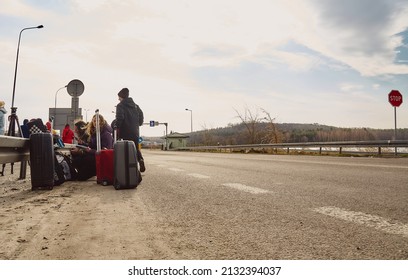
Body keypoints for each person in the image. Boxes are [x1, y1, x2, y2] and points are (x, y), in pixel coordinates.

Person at [70, 113, 113, 180]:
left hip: (97, 159)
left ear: (102, 122)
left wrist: (90, 150)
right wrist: (83, 144)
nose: (95, 123)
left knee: (81, 170)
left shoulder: (106, 135)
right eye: (94, 121)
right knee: (76, 159)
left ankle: (83, 174)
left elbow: (106, 153)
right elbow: (91, 146)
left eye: (97, 121)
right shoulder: (94, 134)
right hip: (93, 156)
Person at [115, 88, 145, 172]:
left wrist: (116, 126)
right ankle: (140, 160)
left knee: (125, 149)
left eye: (119, 97)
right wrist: (139, 123)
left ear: (121, 97)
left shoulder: (120, 105)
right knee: (135, 147)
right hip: (135, 131)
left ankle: (127, 166)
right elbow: (141, 114)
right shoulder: (135, 106)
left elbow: (120, 118)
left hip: (125, 131)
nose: (118, 99)